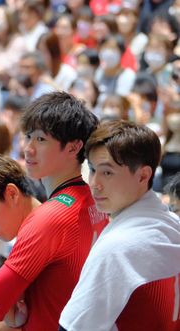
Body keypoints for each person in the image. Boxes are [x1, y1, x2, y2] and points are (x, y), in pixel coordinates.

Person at [0, 91, 108, 331]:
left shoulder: (49, 217)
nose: (28, 149)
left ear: (73, 147)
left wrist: (8, 314)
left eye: (40, 139)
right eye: (28, 137)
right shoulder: (96, 201)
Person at [59, 119, 180, 331]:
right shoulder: (172, 224)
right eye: (93, 169)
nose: (94, 183)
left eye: (107, 172)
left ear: (143, 175)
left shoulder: (117, 248)